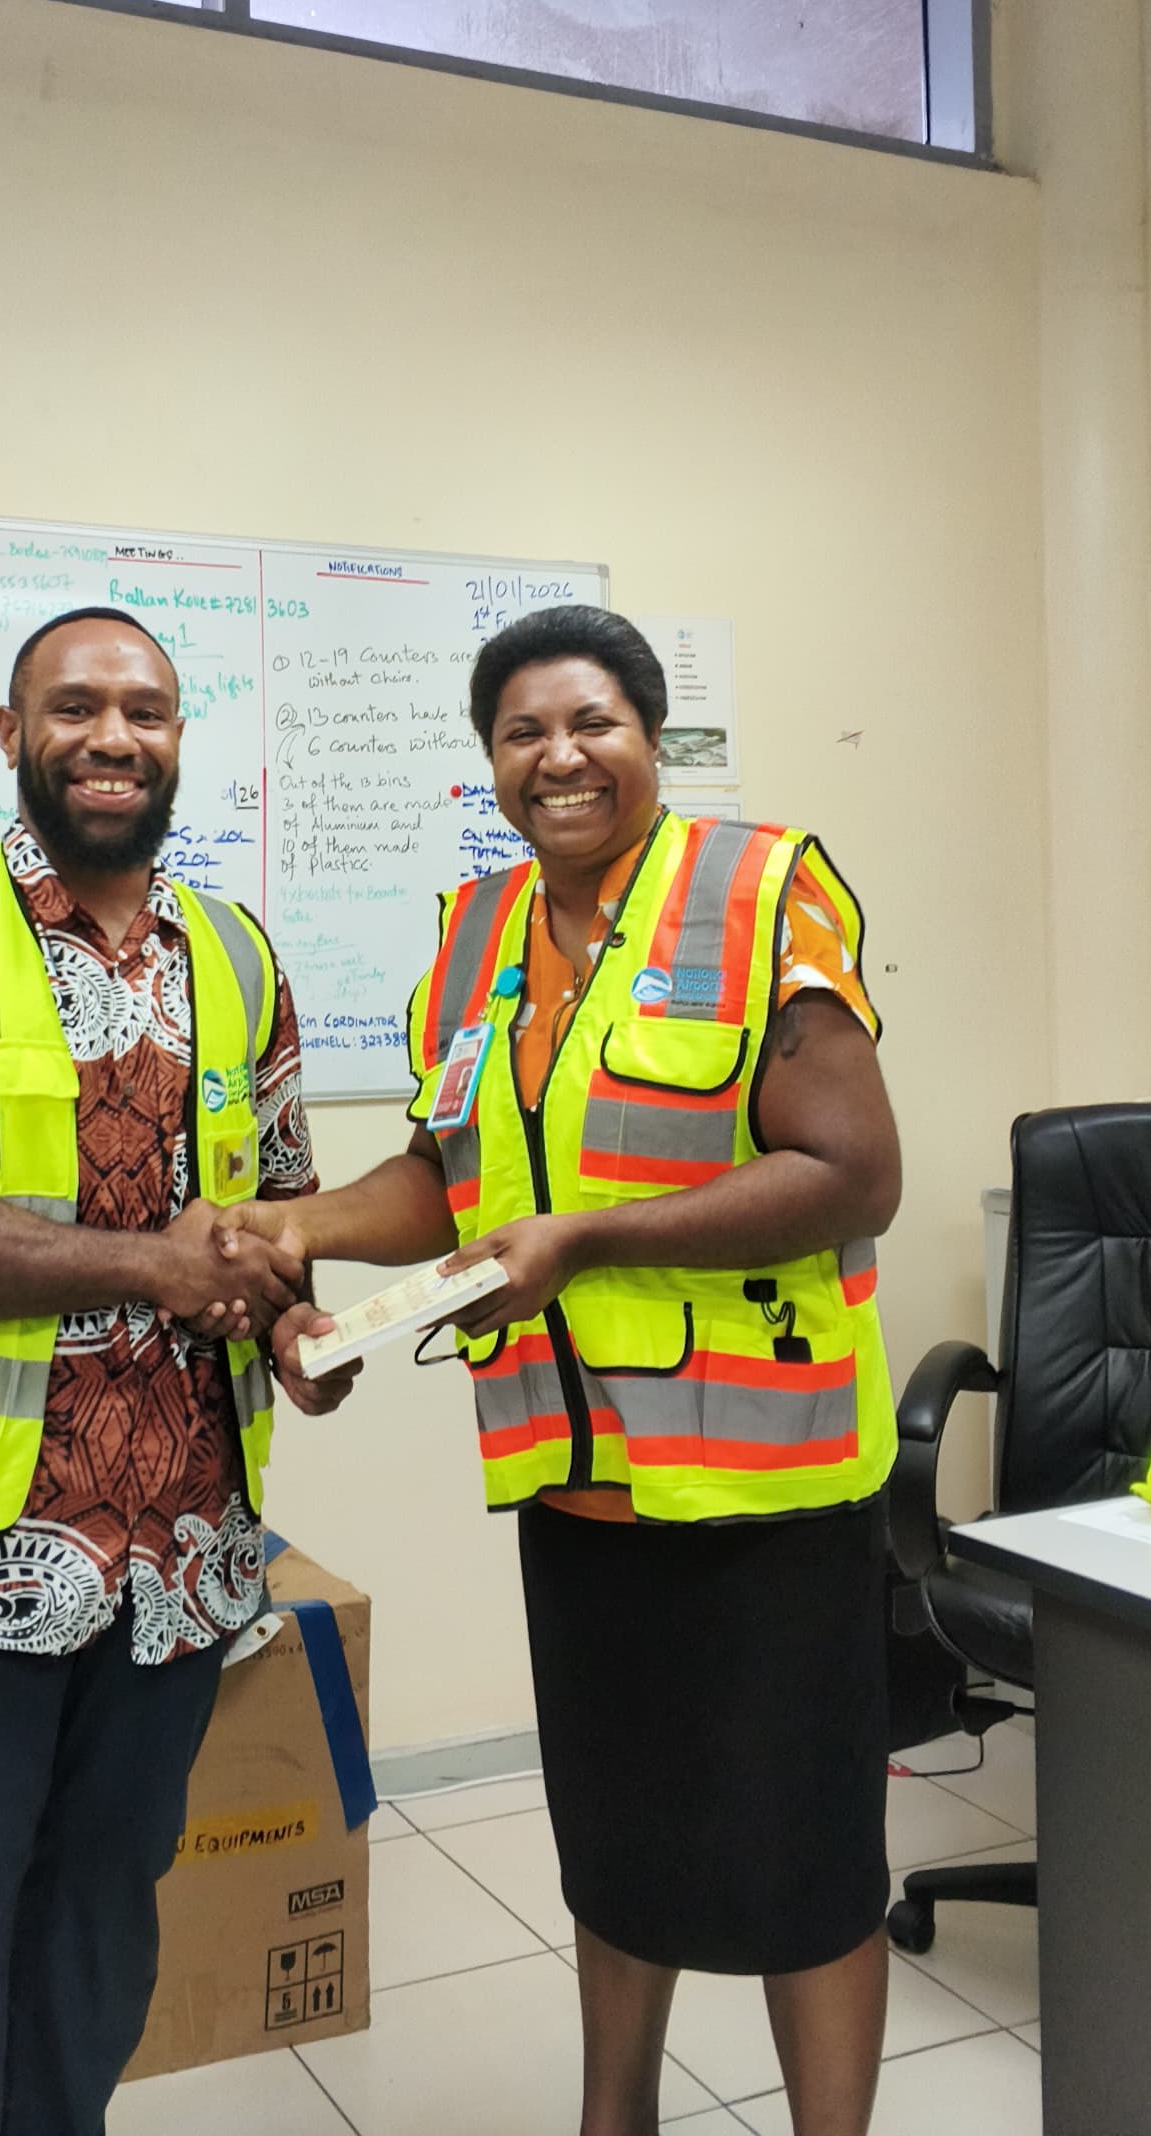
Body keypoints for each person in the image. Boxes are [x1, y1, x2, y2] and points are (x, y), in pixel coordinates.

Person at [229, 604, 902, 2136]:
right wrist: (299, 1234)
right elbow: (448, 1177)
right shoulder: (478, 934)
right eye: (522, 732)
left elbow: (853, 1171)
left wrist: (587, 1241)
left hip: (770, 1493)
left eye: (592, 722)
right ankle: (616, 2118)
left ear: (650, 737)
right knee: (616, 1847)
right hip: (578, 1491)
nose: (560, 756)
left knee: (803, 1869)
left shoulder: (758, 891)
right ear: (492, 762)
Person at [0, 605, 347, 2136]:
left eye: (146, 712)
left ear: (177, 741)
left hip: (181, 1555)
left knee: (99, 1928)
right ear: (12, 734)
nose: (114, 737)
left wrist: (295, 1327)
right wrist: (149, 1266)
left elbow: (276, 1213)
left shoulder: (236, 953)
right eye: (77, 707)